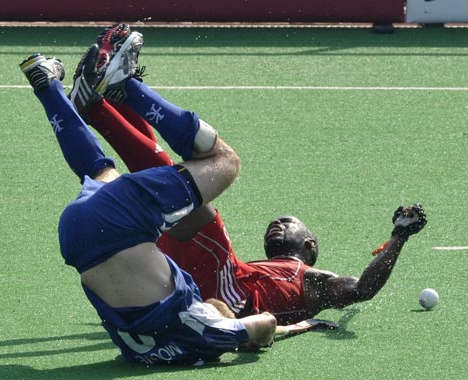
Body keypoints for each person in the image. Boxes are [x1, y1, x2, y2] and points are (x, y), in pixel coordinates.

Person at [70, 24, 428, 326]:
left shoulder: (314, 284)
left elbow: (363, 288)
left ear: (310, 245)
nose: (278, 224)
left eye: (289, 223)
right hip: (192, 280)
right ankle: (105, 100)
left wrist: (399, 236)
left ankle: (109, 100)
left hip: (221, 289)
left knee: (187, 183)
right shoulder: (266, 269)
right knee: (157, 185)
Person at [19, 26, 277, 366]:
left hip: (120, 226)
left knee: (225, 162)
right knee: (101, 173)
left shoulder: (210, 330)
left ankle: (125, 86)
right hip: (78, 238)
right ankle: (47, 84)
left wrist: (254, 337)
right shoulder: (147, 352)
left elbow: (265, 324)